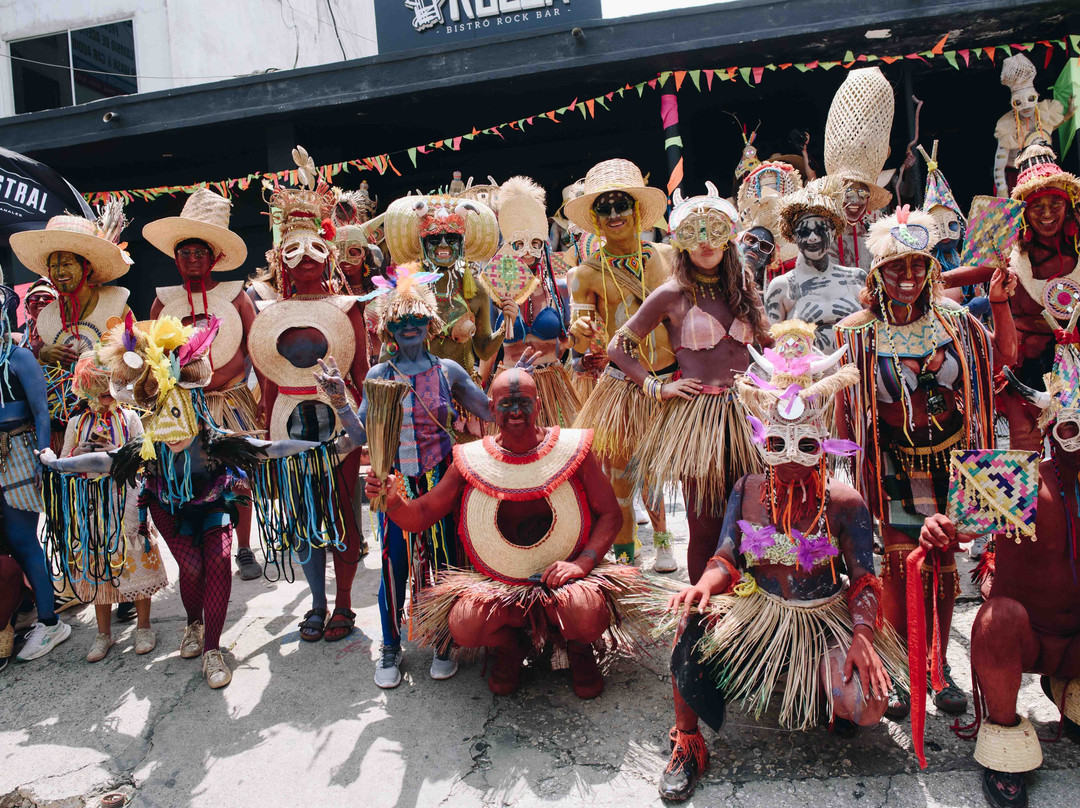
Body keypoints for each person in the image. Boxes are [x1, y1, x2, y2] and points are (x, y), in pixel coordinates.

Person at [37, 316, 363, 688]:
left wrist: (342, 407)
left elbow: (295, 447)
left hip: (212, 506)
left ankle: (212, 649)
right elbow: (101, 461)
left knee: (220, 563)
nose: (172, 433)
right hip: (166, 509)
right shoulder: (148, 448)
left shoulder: (219, 443)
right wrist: (56, 462)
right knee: (191, 569)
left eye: (179, 416)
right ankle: (193, 624)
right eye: (163, 415)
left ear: (195, 408)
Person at [656, 351, 906, 801]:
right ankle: (686, 741)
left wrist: (864, 636)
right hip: (760, 613)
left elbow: (866, 580)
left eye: (806, 445)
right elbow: (726, 558)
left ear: (824, 442)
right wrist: (703, 586)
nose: (790, 457)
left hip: (822, 620)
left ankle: (826, 698)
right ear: (760, 441)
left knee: (865, 708)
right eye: (777, 443)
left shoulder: (845, 502)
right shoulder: (747, 489)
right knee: (690, 622)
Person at [834, 206, 1017, 717]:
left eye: (919, 266)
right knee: (899, 566)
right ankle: (898, 666)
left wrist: (998, 302)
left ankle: (937, 666)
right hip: (893, 461)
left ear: (932, 269)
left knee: (941, 566)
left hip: (953, 461)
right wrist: (849, 476)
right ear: (878, 275)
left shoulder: (957, 322)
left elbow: (1004, 360)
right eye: (897, 269)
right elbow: (845, 409)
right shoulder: (857, 333)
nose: (909, 278)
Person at [363, 368, 633, 699]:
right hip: (500, 584)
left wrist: (583, 564)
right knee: (465, 623)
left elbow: (610, 515)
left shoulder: (572, 449)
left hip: (566, 578)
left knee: (586, 613)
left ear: (538, 404)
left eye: (523, 402)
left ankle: (577, 646)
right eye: (506, 404)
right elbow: (421, 515)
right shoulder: (470, 459)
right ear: (491, 408)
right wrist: (392, 501)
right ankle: (511, 644)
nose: (516, 411)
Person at [333, 263, 495, 688]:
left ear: (430, 324)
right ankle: (390, 644)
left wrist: (523, 378)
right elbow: (361, 435)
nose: (409, 327)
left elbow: (488, 413)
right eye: (401, 321)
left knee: (443, 561)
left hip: (442, 480)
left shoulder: (448, 371)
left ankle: (443, 637)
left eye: (417, 319)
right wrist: (339, 402)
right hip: (394, 485)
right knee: (393, 565)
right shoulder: (379, 376)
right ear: (389, 327)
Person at [930, 360, 1080, 808]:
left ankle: (1069, 693)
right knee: (998, 619)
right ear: (1053, 429)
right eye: (1072, 427)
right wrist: (938, 527)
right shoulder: (1020, 478)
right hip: (1025, 637)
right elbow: (958, 528)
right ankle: (1004, 730)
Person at [609, 184, 770, 577]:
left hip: (750, 418)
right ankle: (703, 616)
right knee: (705, 527)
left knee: (753, 520)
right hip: (699, 422)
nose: (705, 243)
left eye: (713, 232)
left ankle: (746, 611)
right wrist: (657, 387)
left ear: (729, 236)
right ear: (680, 242)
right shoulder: (671, 294)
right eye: (694, 234)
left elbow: (766, 343)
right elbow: (618, 347)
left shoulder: (744, 287)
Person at [249, 153, 369, 643]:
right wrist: (264, 431)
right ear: (281, 257)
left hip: (338, 423)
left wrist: (361, 426)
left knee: (342, 512)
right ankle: (316, 603)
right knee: (302, 517)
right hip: (288, 424)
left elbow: (362, 375)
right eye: (292, 250)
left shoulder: (348, 308)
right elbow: (271, 382)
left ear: (330, 251)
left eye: (314, 248)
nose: (305, 258)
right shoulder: (268, 311)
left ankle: (344, 604)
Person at [144, 187, 263, 581]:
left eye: (200, 253)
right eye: (185, 253)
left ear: (214, 257)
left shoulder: (236, 295)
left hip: (231, 399)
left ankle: (244, 547)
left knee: (239, 474)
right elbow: (154, 358)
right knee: (193, 474)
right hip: (185, 406)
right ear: (176, 258)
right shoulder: (163, 301)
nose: (192, 260)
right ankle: (205, 545)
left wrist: (230, 378)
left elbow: (254, 348)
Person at [567, 158, 673, 564]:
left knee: (658, 468)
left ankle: (664, 543)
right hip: (620, 383)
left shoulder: (666, 255)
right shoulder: (586, 273)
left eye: (621, 205)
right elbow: (579, 339)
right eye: (604, 208)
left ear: (636, 210)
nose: (614, 215)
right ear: (594, 217)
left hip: (668, 379)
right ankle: (627, 555)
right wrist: (582, 334)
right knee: (622, 471)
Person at [57, 352, 167, 662]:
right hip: (93, 505)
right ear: (87, 388)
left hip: (128, 500)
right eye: (100, 388)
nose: (107, 395)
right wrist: (81, 452)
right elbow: (65, 462)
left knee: (137, 552)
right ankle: (103, 633)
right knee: (97, 562)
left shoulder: (129, 417)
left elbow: (145, 456)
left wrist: (118, 454)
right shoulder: (77, 422)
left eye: (111, 387)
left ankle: (143, 626)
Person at [9, 205, 134, 452]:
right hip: (63, 423)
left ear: (86, 266)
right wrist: (42, 356)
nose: (59, 272)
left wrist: (104, 360)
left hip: (111, 420)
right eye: (53, 266)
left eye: (67, 264)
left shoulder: (116, 305)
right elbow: (37, 375)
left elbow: (138, 356)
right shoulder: (47, 317)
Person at [0, 283, 66, 661]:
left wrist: (43, 451)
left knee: (24, 539)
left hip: (20, 452)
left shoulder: (19, 357)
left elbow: (42, 413)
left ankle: (50, 621)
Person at [383, 191, 504, 396]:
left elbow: (483, 350)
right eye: (434, 239)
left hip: (462, 394)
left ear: (462, 243)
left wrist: (504, 327)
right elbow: (388, 353)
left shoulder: (476, 291)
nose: (443, 245)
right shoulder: (406, 292)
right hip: (418, 396)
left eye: (451, 238)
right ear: (423, 244)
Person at [487, 176, 577, 427]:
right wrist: (479, 389)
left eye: (535, 243)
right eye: (519, 244)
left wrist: (583, 337)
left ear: (544, 245)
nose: (527, 251)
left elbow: (567, 342)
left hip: (552, 386)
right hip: (511, 388)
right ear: (508, 246)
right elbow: (488, 351)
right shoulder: (496, 290)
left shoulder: (558, 289)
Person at [767, 178, 865, 351]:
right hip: (808, 375)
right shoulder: (782, 287)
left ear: (833, 233)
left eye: (821, 230)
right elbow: (773, 348)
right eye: (804, 232)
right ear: (795, 237)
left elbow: (878, 332)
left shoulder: (856, 278)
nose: (813, 238)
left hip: (856, 371)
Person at [822, 67, 895, 271]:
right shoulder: (820, 228)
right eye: (848, 192)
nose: (855, 201)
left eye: (862, 192)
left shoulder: (877, 224)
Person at [994, 53, 1065, 198]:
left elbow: (1049, 131)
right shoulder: (1008, 126)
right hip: (1016, 178)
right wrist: (1003, 193)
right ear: (1012, 104)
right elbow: (999, 167)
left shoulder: (1046, 115)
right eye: (1018, 102)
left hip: (1045, 172)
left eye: (1030, 99)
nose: (1025, 106)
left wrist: (1070, 113)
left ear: (1037, 96)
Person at [736, 161, 802, 288]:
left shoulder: (798, 233)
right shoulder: (747, 236)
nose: (768, 194)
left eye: (773, 188)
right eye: (764, 189)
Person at [19, 278, 57, 357]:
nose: (41, 300)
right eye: (34, 298)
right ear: (27, 307)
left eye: (47, 298)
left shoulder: (68, 334)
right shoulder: (17, 341)